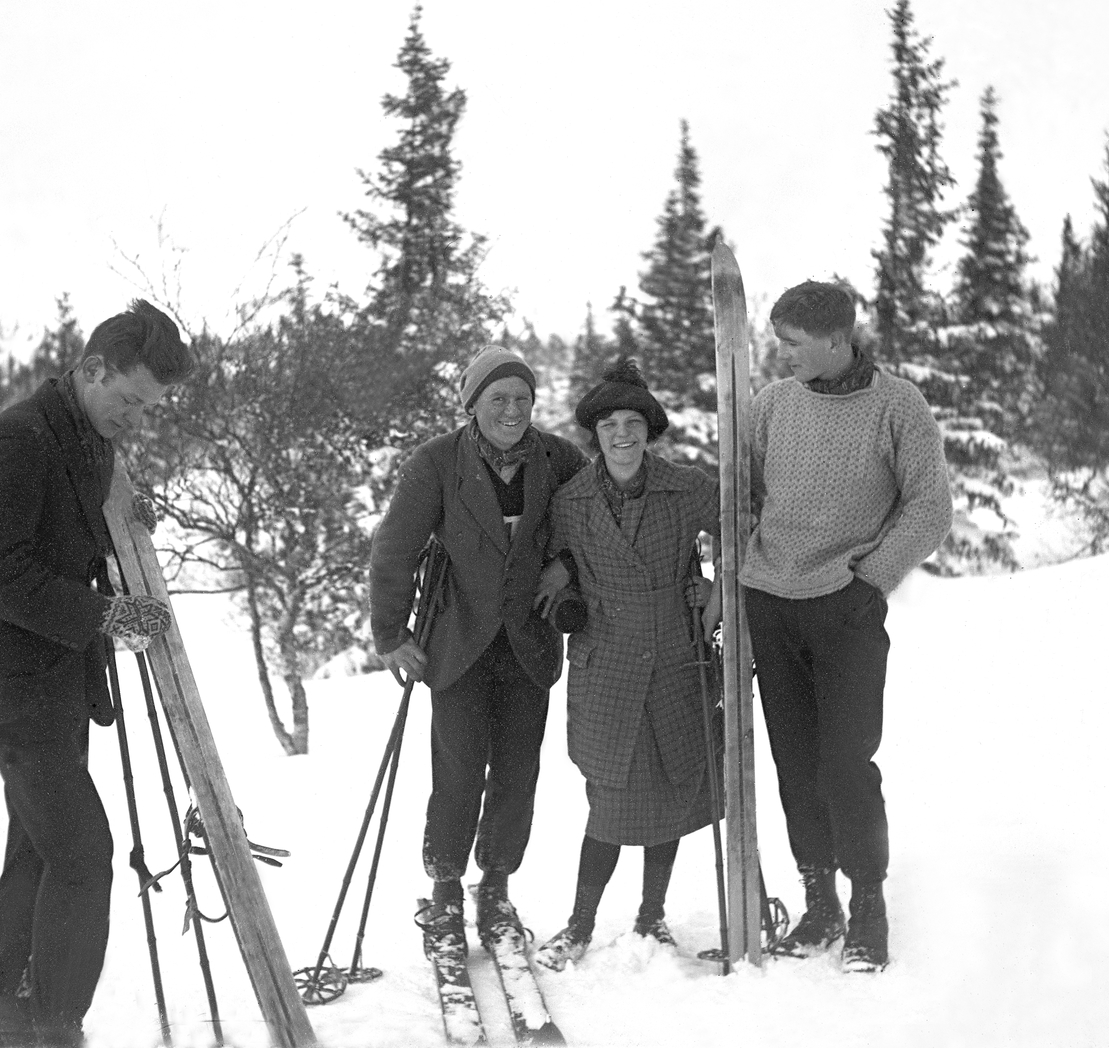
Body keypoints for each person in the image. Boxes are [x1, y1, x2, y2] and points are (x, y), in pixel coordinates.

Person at [0, 300, 194, 1047]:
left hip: (53, 684)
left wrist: (121, 516)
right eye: (129, 401)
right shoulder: (18, 438)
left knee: (40, 846)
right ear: (92, 370)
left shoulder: (86, 436)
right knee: (85, 856)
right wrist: (108, 618)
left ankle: (17, 1011)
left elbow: (71, 528)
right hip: (13, 688)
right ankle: (57, 1028)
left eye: (147, 409)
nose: (136, 419)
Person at [744, 281, 952, 972]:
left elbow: (928, 507)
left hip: (846, 607)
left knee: (846, 764)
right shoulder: (773, 405)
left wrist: (872, 581)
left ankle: (868, 907)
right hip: (770, 604)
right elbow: (741, 496)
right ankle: (819, 900)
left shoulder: (898, 406)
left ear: (839, 338)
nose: (784, 355)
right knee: (795, 762)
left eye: (795, 344)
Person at [369, 345, 588, 955]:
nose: (512, 409)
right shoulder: (438, 462)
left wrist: (565, 567)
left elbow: (591, 525)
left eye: (522, 398)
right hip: (457, 642)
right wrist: (392, 636)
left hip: (528, 641)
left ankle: (495, 888)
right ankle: (444, 893)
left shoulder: (558, 458)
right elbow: (393, 549)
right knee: (460, 771)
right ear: (473, 405)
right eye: (498, 399)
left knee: (518, 773)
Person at [532, 358, 724, 972]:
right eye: (610, 423)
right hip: (608, 661)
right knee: (611, 802)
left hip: (674, 655)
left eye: (633, 423)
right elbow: (551, 561)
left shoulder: (685, 487)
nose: (622, 435)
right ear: (595, 432)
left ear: (649, 429)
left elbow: (739, 526)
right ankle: (579, 925)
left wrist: (714, 594)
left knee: (671, 786)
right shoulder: (571, 500)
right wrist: (563, 586)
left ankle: (651, 916)